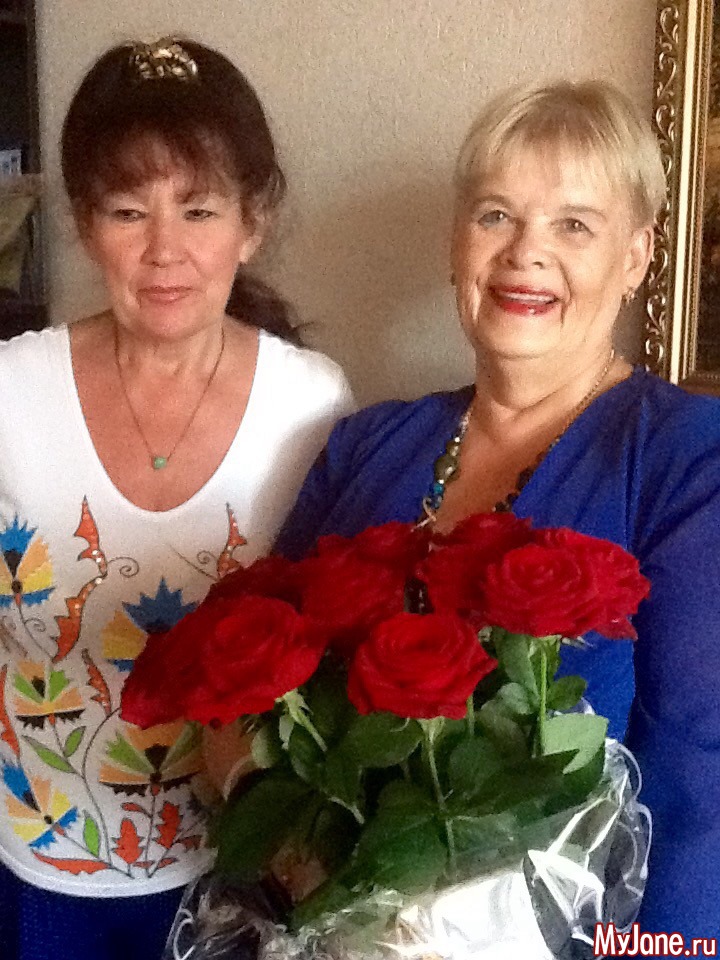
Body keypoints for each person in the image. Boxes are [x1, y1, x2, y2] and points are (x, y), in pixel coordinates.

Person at [276, 81, 720, 942]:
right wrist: (317, 885)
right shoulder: (365, 445)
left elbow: (699, 805)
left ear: (636, 257)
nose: (526, 253)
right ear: (457, 243)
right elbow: (250, 693)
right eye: (495, 216)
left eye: (574, 225)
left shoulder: (688, 461)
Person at [0, 37, 353, 960]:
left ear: (252, 221)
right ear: (84, 224)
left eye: (199, 209)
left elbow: (332, 655)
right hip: (35, 872)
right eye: (128, 211)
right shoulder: (10, 391)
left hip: (239, 873)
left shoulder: (311, 403)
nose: (165, 251)